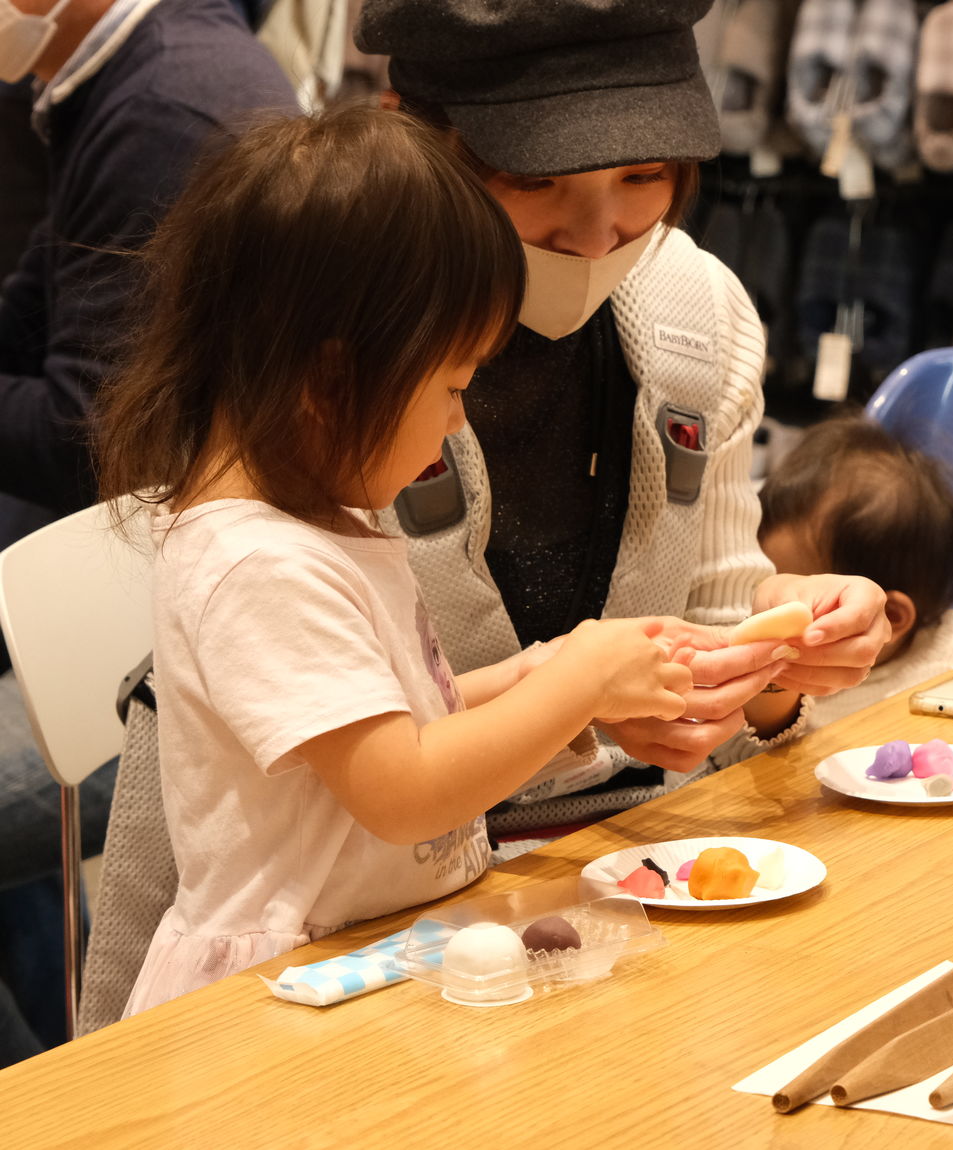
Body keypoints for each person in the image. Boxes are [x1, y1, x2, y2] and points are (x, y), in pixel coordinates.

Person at [95, 104, 748, 1013]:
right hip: (273, 999)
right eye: (450, 387)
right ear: (330, 384)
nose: (458, 421)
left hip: (369, 960)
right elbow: (400, 788)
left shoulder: (323, 522)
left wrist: (532, 676)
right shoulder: (255, 563)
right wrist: (582, 683)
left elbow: (378, 716)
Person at [353, 0, 892, 844]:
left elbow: (714, 609)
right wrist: (579, 705)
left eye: (643, 177)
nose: (597, 235)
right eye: (535, 180)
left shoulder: (699, 307)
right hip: (358, 883)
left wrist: (780, 655)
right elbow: (315, 721)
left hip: (624, 852)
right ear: (412, 140)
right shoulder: (329, 343)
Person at [0, 0, 296, 1060]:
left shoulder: (164, 105)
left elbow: (94, 432)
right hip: (137, 600)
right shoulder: (115, 85)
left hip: (162, 640)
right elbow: (36, 322)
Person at [757, 415, 953, 729]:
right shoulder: (775, 684)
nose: (765, 609)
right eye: (762, 583)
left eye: (794, 600)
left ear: (891, 617)